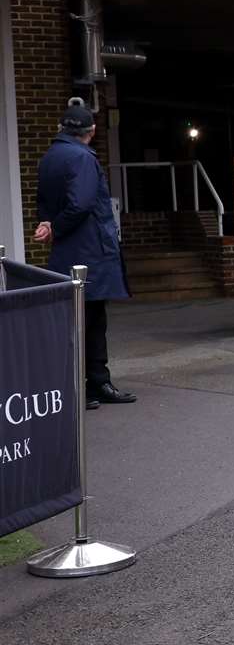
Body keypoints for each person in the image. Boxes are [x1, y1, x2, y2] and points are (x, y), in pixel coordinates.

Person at [32, 97, 135, 410]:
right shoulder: (82, 158)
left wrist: (49, 225)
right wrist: (57, 227)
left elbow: (45, 202)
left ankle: (83, 385)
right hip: (89, 250)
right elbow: (82, 204)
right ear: (89, 132)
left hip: (67, 251)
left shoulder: (50, 156)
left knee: (78, 320)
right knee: (92, 320)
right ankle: (94, 384)